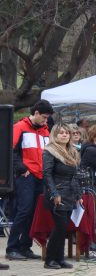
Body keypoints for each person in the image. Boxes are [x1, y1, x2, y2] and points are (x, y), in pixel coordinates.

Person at [6, 100, 53, 262]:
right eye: (44, 117)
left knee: (34, 213)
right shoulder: (19, 127)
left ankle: (25, 246)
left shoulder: (45, 131)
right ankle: (11, 247)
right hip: (26, 175)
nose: (46, 121)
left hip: (41, 176)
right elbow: (10, 150)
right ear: (36, 113)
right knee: (24, 210)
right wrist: (21, 168)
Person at [41, 124, 82, 270]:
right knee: (59, 227)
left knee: (64, 228)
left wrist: (78, 194)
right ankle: (50, 259)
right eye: (61, 133)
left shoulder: (72, 151)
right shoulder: (49, 151)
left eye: (66, 133)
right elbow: (47, 174)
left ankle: (59, 258)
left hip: (70, 193)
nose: (64, 135)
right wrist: (54, 193)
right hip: (57, 193)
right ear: (54, 135)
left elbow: (75, 176)